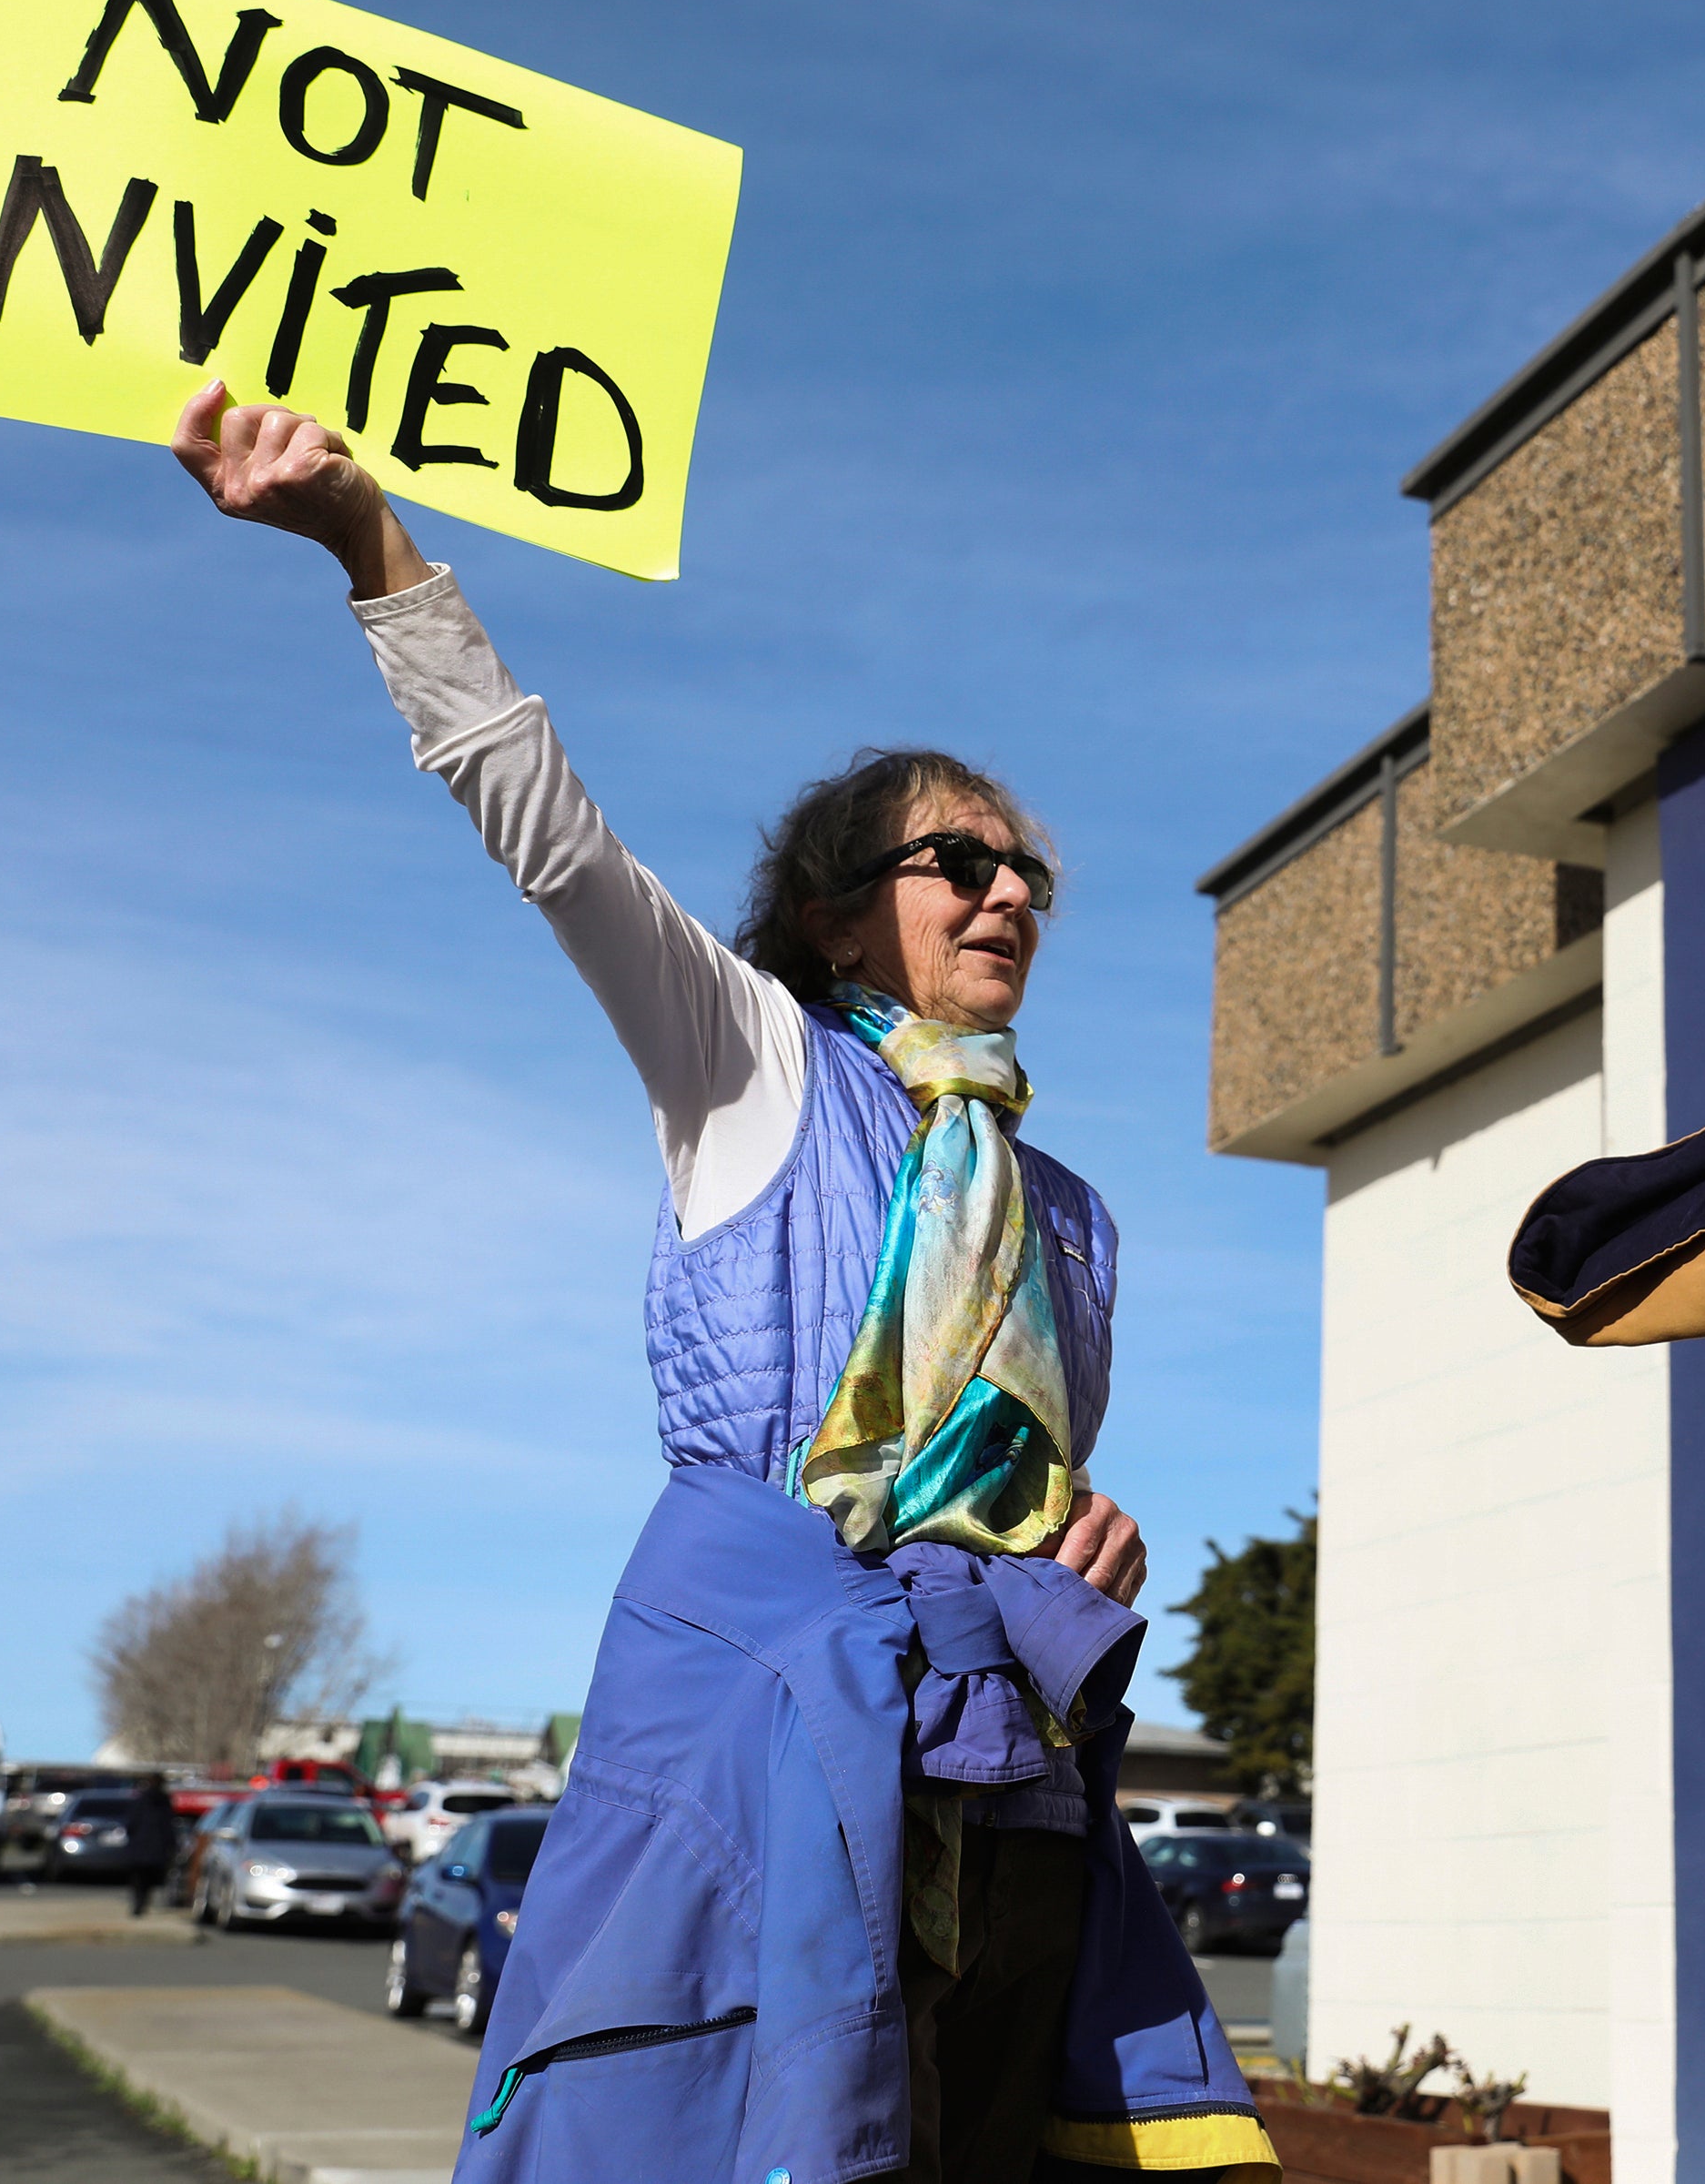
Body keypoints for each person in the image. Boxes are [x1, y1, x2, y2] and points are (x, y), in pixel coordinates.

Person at [164, 385, 1264, 2184]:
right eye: (957, 862)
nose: (1007, 898)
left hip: (1020, 1801)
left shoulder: (1072, 1215)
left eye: (1031, 878)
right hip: (768, 1748)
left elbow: (1009, 1494)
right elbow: (552, 832)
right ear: (840, 920)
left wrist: (1087, 1542)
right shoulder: (747, 1061)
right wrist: (370, 545)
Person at [121, 1771, 177, 1921]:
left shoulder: (140, 1800)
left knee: (138, 1877)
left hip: (140, 1846)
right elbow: (169, 1826)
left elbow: (130, 1824)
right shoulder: (165, 1802)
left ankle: (138, 1905)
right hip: (157, 1847)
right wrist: (171, 1845)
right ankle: (142, 1903)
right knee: (149, 1877)